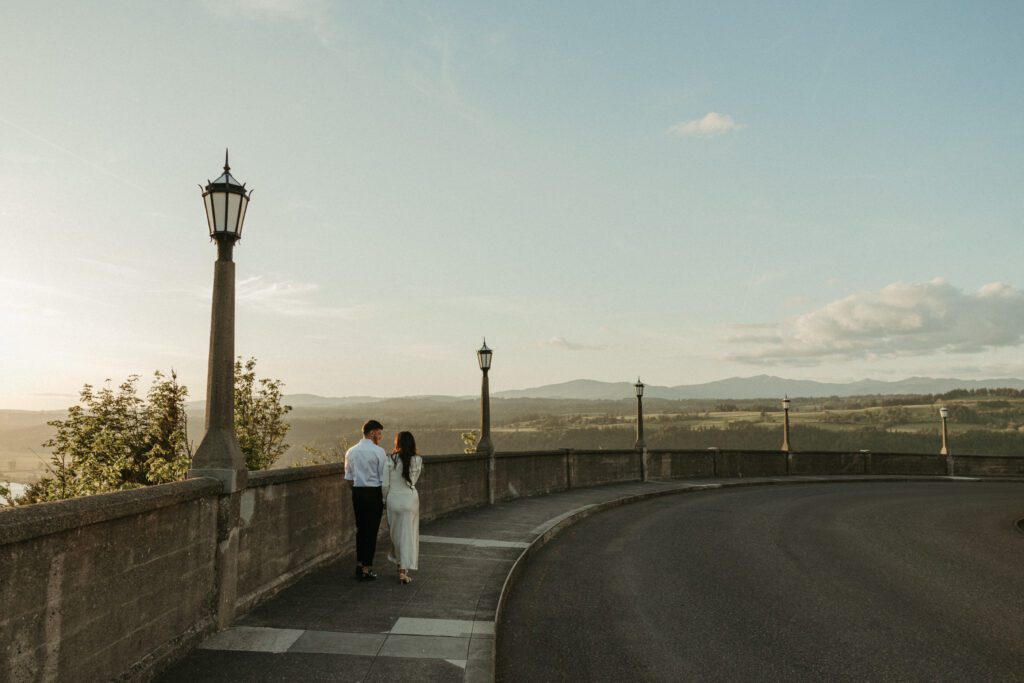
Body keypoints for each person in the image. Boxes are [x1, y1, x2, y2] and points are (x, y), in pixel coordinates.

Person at [344, 419, 388, 581]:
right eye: (379, 433)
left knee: (361, 530)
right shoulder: (378, 452)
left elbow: (348, 477)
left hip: (357, 492)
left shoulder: (351, 451)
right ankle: (366, 568)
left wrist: (356, 491)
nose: (380, 436)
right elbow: (383, 478)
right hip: (373, 493)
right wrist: (384, 499)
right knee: (371, 531)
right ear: (372, 433)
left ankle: (360, 563)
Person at [382, 431, 423, 584]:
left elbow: (385, 485)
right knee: (409, 535)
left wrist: (385, 499)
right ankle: (403, 570)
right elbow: (413, 481)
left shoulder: (389, 460)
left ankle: (400, 565)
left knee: (396, 535)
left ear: (397, 443)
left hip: (394, 499)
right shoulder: (417, 460)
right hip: (410, 499)